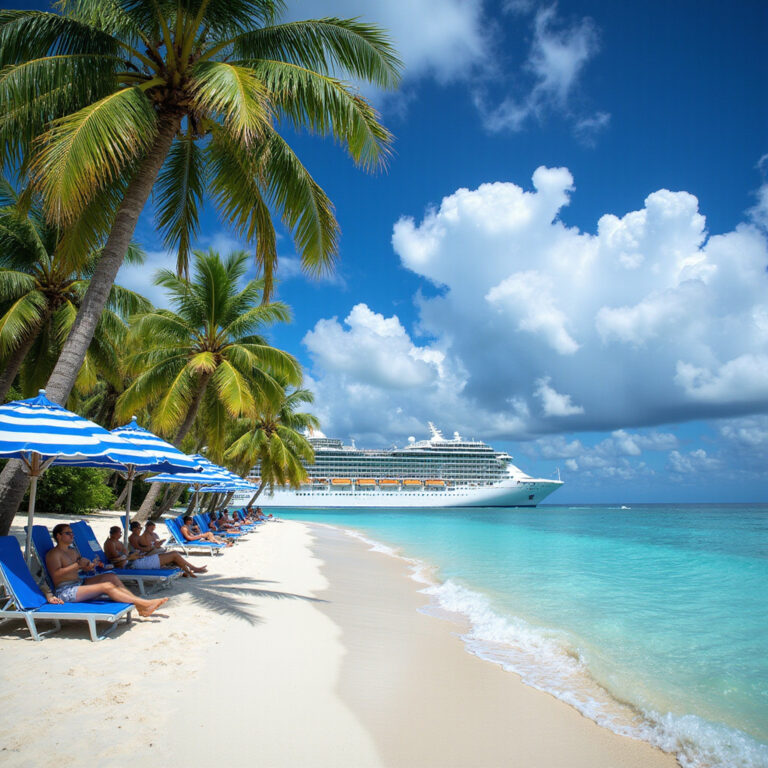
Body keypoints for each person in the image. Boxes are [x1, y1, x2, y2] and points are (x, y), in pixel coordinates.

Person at [46, 524, 168, 617]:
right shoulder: (54, 554)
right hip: (65, 591)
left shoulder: (73, 551)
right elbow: (56, 575)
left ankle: (139, 604)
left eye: (72, 533)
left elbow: (82, 565)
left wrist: (90, 565)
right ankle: (144, 604)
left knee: (111, 576)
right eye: (68, 533)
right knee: (107, 586)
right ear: (58, 536)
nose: (72, 535)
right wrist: (77, 565)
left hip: (79, 583)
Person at [104, 526, 206, 577]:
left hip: (136, 561)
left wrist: (132, 555)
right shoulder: (110, 544)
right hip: (133, 565)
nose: (121, 534)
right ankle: (192, 569)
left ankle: (188, 570)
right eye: (119, 533)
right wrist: (130, 557)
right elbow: (115, 561)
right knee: (174, 554)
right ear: (113, 534)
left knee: (173, 554)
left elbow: (124, 555)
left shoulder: (117, 542)